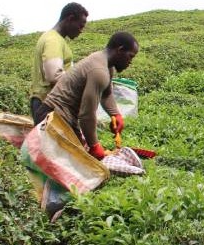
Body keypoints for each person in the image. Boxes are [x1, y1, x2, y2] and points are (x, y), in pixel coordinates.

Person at [34, 32, 139, 160]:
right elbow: (87, 115)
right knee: (73, 166)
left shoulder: (105, 64)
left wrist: (115, 114)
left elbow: (107, 94)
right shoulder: (99, 71)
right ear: (120, 50)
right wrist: (94, 145)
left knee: (81, 163)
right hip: (53, 118)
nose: (130, 62)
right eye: (130, 56)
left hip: (62, 117)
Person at [29, 2, 89, 124]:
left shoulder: (53, 38)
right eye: (80, 26)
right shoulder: (53, 40)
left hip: (45, 102)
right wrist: (83, 81)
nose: (81, 31)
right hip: (48, 104)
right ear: (70, 18)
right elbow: (54, 75)